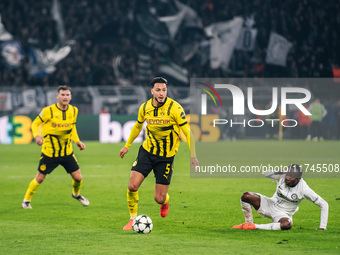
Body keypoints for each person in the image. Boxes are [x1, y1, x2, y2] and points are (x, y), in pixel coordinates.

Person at [119, 77, 199, 230]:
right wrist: (127, 146)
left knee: (159, 198)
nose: (161, 93)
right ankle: (132, 218)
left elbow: (187, 132)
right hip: (147, 152)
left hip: (166, 158)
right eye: (158, 90)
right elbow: (137, 126)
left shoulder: (175, 108)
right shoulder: (145, 107)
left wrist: (193, 155)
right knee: (132, 186)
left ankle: (165, 200)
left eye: (164, 90)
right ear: (152, 91)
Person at [22, 85, 89, 209]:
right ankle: (26, 200)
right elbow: (35, 123)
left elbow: (72, 126)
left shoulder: (74, 110)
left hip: (67, 152)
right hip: (49, 153)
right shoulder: (48, 111)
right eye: (62, 95)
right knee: (40, 178)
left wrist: (77, 141)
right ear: (58, 97)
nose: (65, 97)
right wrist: (36, 136)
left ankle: (76, 194)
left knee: (78, 178)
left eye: (67, 95)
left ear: (70, 97)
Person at [232, 164, 328, 230]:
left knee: (287, 225)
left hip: (282, 214)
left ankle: (254, 226)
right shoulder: (282, 176)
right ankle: (248, 223)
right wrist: (277, 172)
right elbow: (265, 174)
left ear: (299, 179)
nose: (287, 178)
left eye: (291, 176)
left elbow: (324, 204)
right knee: (246, 196)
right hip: (269, 204)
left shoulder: (304, 190)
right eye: (288, 174)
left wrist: (322, 227)